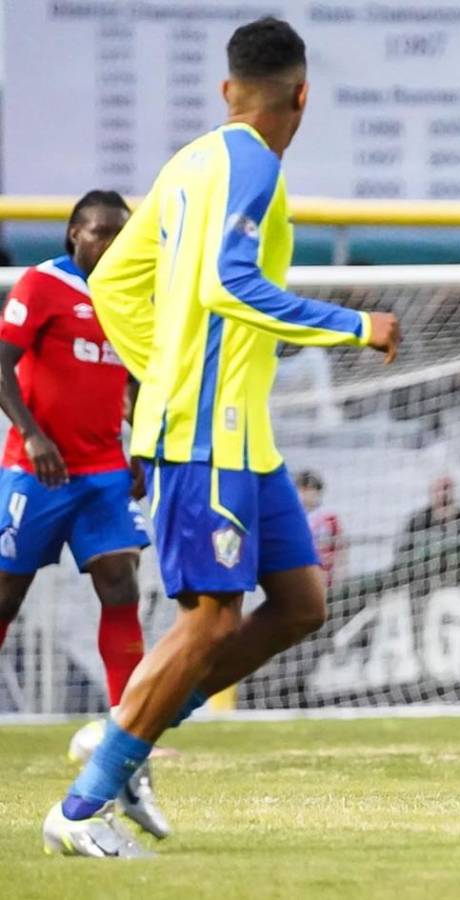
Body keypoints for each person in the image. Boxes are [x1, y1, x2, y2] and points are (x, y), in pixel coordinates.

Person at [41, 16, 400, 858]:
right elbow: (228, 282)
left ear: (226, 88)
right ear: (303, 95)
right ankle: (82, 805)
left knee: (300, 604)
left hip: (244, 438)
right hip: (207, 433)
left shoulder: (190, 160)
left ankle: (124, 732)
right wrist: (356, 327)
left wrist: (158, 365)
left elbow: (118, 283)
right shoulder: (255, 166)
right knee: (208, 619)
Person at [0, 191, 166, 836]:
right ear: (74, 233)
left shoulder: (128, 295)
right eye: (100, 233)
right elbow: (2, 363)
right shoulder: (43, 285)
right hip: (37, 471)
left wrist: (139, 443)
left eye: (120, 236)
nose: (109, 245)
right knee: (7, 599)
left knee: (122, 585)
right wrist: (34, 436)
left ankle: (127, 748)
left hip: (101, 473)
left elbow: (131, 380)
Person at [397, 474, 460, 550]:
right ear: (431, 492)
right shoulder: (416, 524)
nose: (443, 494)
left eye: (447, 487)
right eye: (438, 489)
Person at [295, 470, 343, 589]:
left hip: (324, 575)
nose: (306, 494)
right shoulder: (293, 518)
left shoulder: (330, 517)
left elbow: (340, 547)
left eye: (311, 489)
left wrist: (340, 576)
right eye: (302, 489)